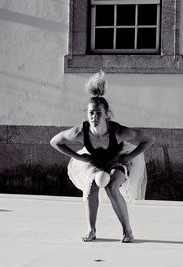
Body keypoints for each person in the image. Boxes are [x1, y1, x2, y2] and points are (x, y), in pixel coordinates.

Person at [50, 71, 155, 243]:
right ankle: (91, 230)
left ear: (107, 114)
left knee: (111, 187)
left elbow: (149, 140)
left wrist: (129, 158)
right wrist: (79, 157)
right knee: (92, 185)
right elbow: (55, 142)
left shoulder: (118, 131)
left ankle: (127, 231)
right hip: (95, 162)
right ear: (87, 114)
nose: (94, 117)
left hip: (117, 159)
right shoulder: (80, 132)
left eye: (98, 113)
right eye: (91, 113)